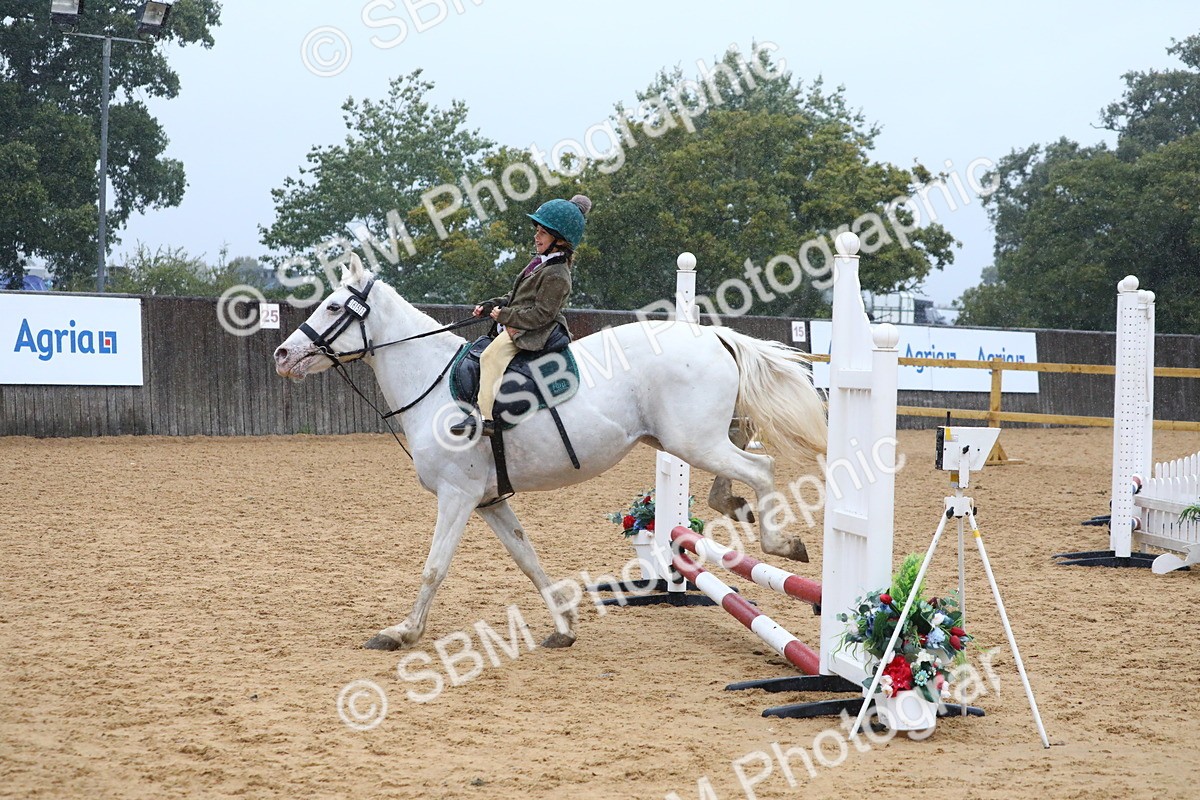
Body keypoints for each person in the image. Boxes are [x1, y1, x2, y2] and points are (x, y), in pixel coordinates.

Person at [450, 194, 592, 437]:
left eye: (543, 233)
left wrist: (506, 316)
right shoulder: (540, 263)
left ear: (560, 241)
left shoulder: (557, 274)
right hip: (518, 322)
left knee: (490, 357)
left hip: (534, 330)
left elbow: (542, 315)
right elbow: (515, 297)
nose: (536, 237)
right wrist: (489, 306)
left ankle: (485, 418)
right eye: (537, 231)